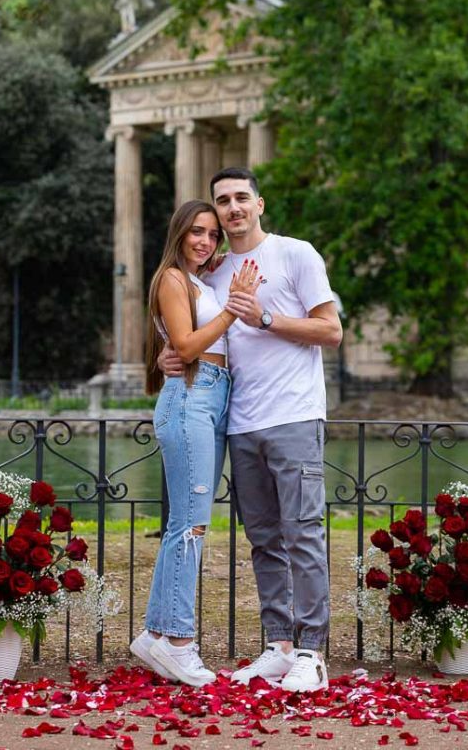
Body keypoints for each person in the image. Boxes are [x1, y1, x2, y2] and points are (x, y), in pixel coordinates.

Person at [159, 168, 342, 693]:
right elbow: (194, 336)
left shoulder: (296, 253)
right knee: (263, 541)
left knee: (303, 535)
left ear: (260, 203)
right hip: (240, 422)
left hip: (294, 416)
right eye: (223, 201)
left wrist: (265, 318)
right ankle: (279, 646)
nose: (233, 207)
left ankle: (311, 652)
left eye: (242, 198)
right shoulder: (212, 273)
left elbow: (331, 330)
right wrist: (170, 358)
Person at [130, 198, 261, 687]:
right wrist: (232, 308)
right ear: (179, 234)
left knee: (186, 523)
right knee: (191, 525)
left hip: (214, 397)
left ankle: (158, 635)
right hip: (192, 395)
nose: (205, 240)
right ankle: (179, 642)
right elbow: (185, 347)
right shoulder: (172, 279)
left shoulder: (205, 279)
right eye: (196, 232)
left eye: (212, 233)